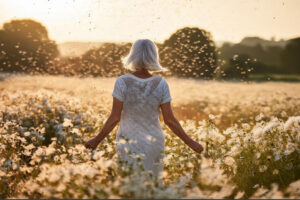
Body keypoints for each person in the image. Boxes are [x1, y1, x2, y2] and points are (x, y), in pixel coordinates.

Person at [85, 39, 203, 180]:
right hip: (154, 143)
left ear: (132, 55)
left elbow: (115, 117)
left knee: (129, 185)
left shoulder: (122, 82)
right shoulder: (161, 84)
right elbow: (169, 120)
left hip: (128, 142)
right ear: (154, 56)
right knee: (152, 186)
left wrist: (96, 140)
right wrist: (191, 142)